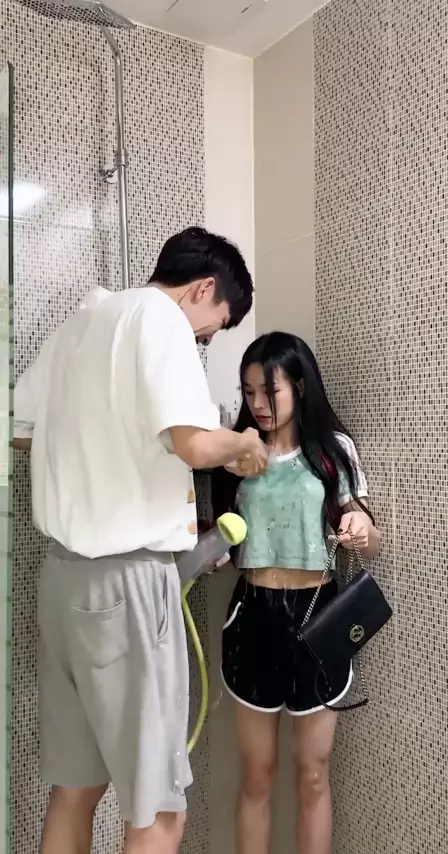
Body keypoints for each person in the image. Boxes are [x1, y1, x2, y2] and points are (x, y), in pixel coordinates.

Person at [13, 227, 267, 854]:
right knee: (159, 811)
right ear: (203, 289)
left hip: (63, 579)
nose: (202, 340)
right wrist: (243, 444)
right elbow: (194, 444)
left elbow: (22, 432)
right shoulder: (160, 318)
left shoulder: (80, 324)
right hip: (126, 587)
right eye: (212, 329)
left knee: (76, 790)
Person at [211, 331, 380, 854]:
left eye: (270, 391)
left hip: (319, 615)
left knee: (312, 774)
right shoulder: (235, 452)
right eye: (249, 393)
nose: (258, 404)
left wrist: (360, 528)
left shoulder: (332, 451)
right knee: (257, 776)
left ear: (300, 386)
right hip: (254, 614)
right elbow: (218, 535)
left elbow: (370, 537)